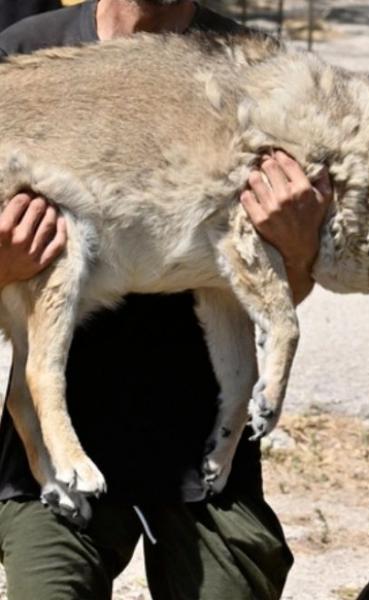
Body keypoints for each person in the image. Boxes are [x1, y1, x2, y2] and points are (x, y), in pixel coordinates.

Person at [0, 1, 333, 598]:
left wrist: (298, 246)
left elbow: (289, 293)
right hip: (58, 457)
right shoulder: (26, 52)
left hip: (201, 457)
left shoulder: (256, 69)